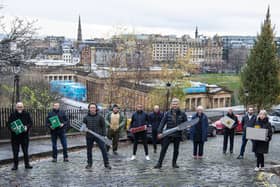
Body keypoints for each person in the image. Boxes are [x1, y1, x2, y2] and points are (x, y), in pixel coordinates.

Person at [154, 98, 188, 169]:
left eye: (176, 104)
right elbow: (162, 123)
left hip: (177, 134)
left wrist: (184, 134)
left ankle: (174, 163)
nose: (174, 105)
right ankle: (159, 163)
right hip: (168, 133)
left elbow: (185, 124)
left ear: (178, 105)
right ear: (171, 105)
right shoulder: (167, 113)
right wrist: (159, 132)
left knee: (176, 150)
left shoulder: (182, 114)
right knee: (163, 149)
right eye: (173, 104)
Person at [83, 103, 111, 169]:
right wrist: (84, 129)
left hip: (99, 136)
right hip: (89, 136)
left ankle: (106, 164)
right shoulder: (85, 117)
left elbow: (104, 126)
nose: (92, 109)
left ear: (96, 109)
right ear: (89, 109)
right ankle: (89, 163)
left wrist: (104, 135)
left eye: (93, 107)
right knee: (89, 150)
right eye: (91, 107)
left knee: (104, 149)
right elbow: (83, 127)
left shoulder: (100, 117)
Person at [7, 102, 33, 170]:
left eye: (21, 107)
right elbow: (8, 124)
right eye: (18, 107)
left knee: (25, 151)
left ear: (23, 107)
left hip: (24, 136)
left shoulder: (27, 114)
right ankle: (15, 165)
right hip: (15, 137)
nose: (20, 108)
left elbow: (30, 123)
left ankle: (27, 164)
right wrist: (12, 128)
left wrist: (26, 127)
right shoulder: (12, 114)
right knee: (15, 152)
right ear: (16, 107)